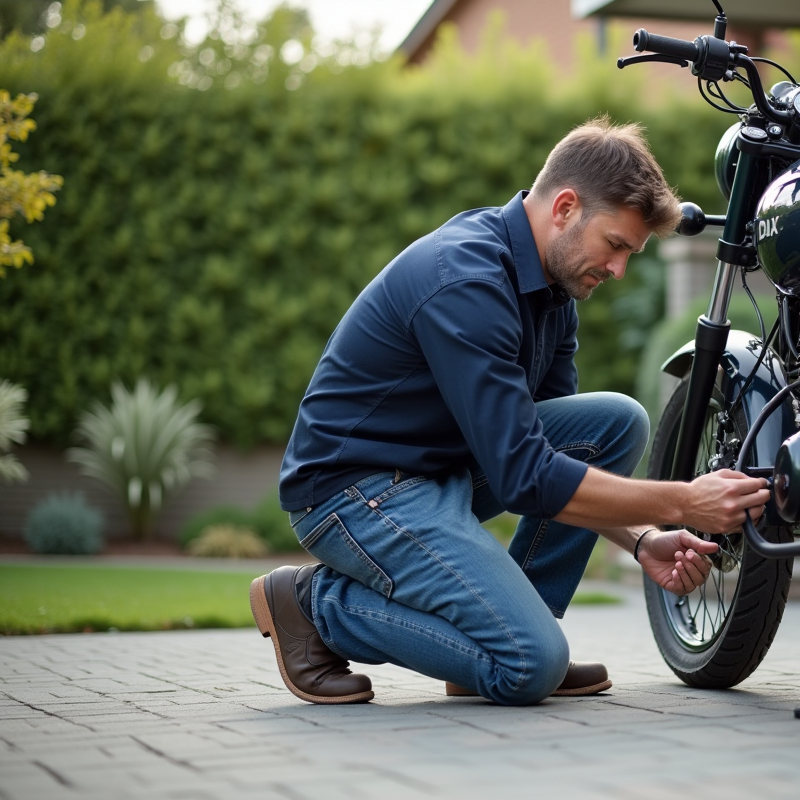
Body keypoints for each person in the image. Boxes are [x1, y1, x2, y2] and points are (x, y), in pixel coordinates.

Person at [251, 118, 770, 706]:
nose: (619, 269)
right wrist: (682, 500)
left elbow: (554, 464)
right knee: (530, 666)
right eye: (617, 245)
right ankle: (314, 606)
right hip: (352, 493)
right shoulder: (465, 279)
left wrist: (643, 537)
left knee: (614, 423)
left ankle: (500, 637)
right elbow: (528, 476)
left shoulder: (552, 290)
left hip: (435, 472)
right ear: (566, 207)